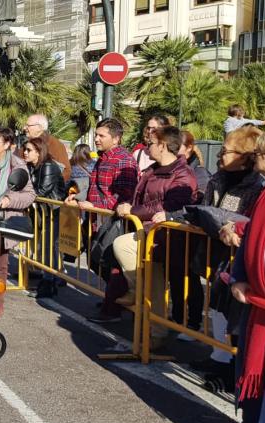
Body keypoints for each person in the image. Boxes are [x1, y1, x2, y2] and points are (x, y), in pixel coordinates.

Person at [180, 126, 265, 387]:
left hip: (239, 258)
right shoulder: (217, 179)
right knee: (216, 304)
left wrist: (232, 228)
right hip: (215, 251)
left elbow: (251, 224)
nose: (220, 155)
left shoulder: (258, 186)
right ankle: (220, 356)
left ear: (245, 156)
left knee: (233, 311)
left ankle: (231, 365)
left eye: (226, 151)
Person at [89, 126, 197, 324]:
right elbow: (140, 198)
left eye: (151, 143)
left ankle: (138, 296)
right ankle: (152, 331)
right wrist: (130, 207)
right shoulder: (152, 170)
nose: (147, 148)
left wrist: (133, 210)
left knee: (126, 251)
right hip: (147, 232)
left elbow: (169, 204)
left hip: (165, 238)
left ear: (163, 146)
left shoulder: (183, 174)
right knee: (150, 283)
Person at [227, 131, 265, 423]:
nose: (258, 158)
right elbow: (255, 233)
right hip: (259, 302)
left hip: (263, 300)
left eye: (261, 153)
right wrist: (240, 277)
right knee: (256, 374)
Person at [0, 127, 36, 318]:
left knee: (2, 267)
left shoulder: (18, 165)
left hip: (5, 222)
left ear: (7, 145)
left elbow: (30, 195)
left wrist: (8, 200)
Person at [22, 136, 66, 298]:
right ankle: (51, 277)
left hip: (53, 211)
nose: (25, 153)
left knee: (50, 245)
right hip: (41, 211)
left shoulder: (48, 166)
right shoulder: (30, 166)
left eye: (29, 150)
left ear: (39, 152)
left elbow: (42, 190)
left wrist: (22, 198)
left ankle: (50, 281)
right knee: (45, 246)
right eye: (25, 149)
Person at [65, 118, 138, 212]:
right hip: (96, 217)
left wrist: (95, 206)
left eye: (101, 136)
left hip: (110, 218)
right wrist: (78, 198)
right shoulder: (102, 158)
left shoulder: (124, 160)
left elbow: (124, 196)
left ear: (116, 139)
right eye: (96, 135)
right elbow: (94, 188)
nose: (96, 139)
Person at [23, 114, 71, 181]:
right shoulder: (28, 143)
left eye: (28, 125)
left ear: (39, 127)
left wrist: (48, 183)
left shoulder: (54, 144)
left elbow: (66, 171)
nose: (24, 128)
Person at [179, 130, 211, 200]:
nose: (172, 149)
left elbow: (200, 199)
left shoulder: (201, 174)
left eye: (177, 146)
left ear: (189, 148)